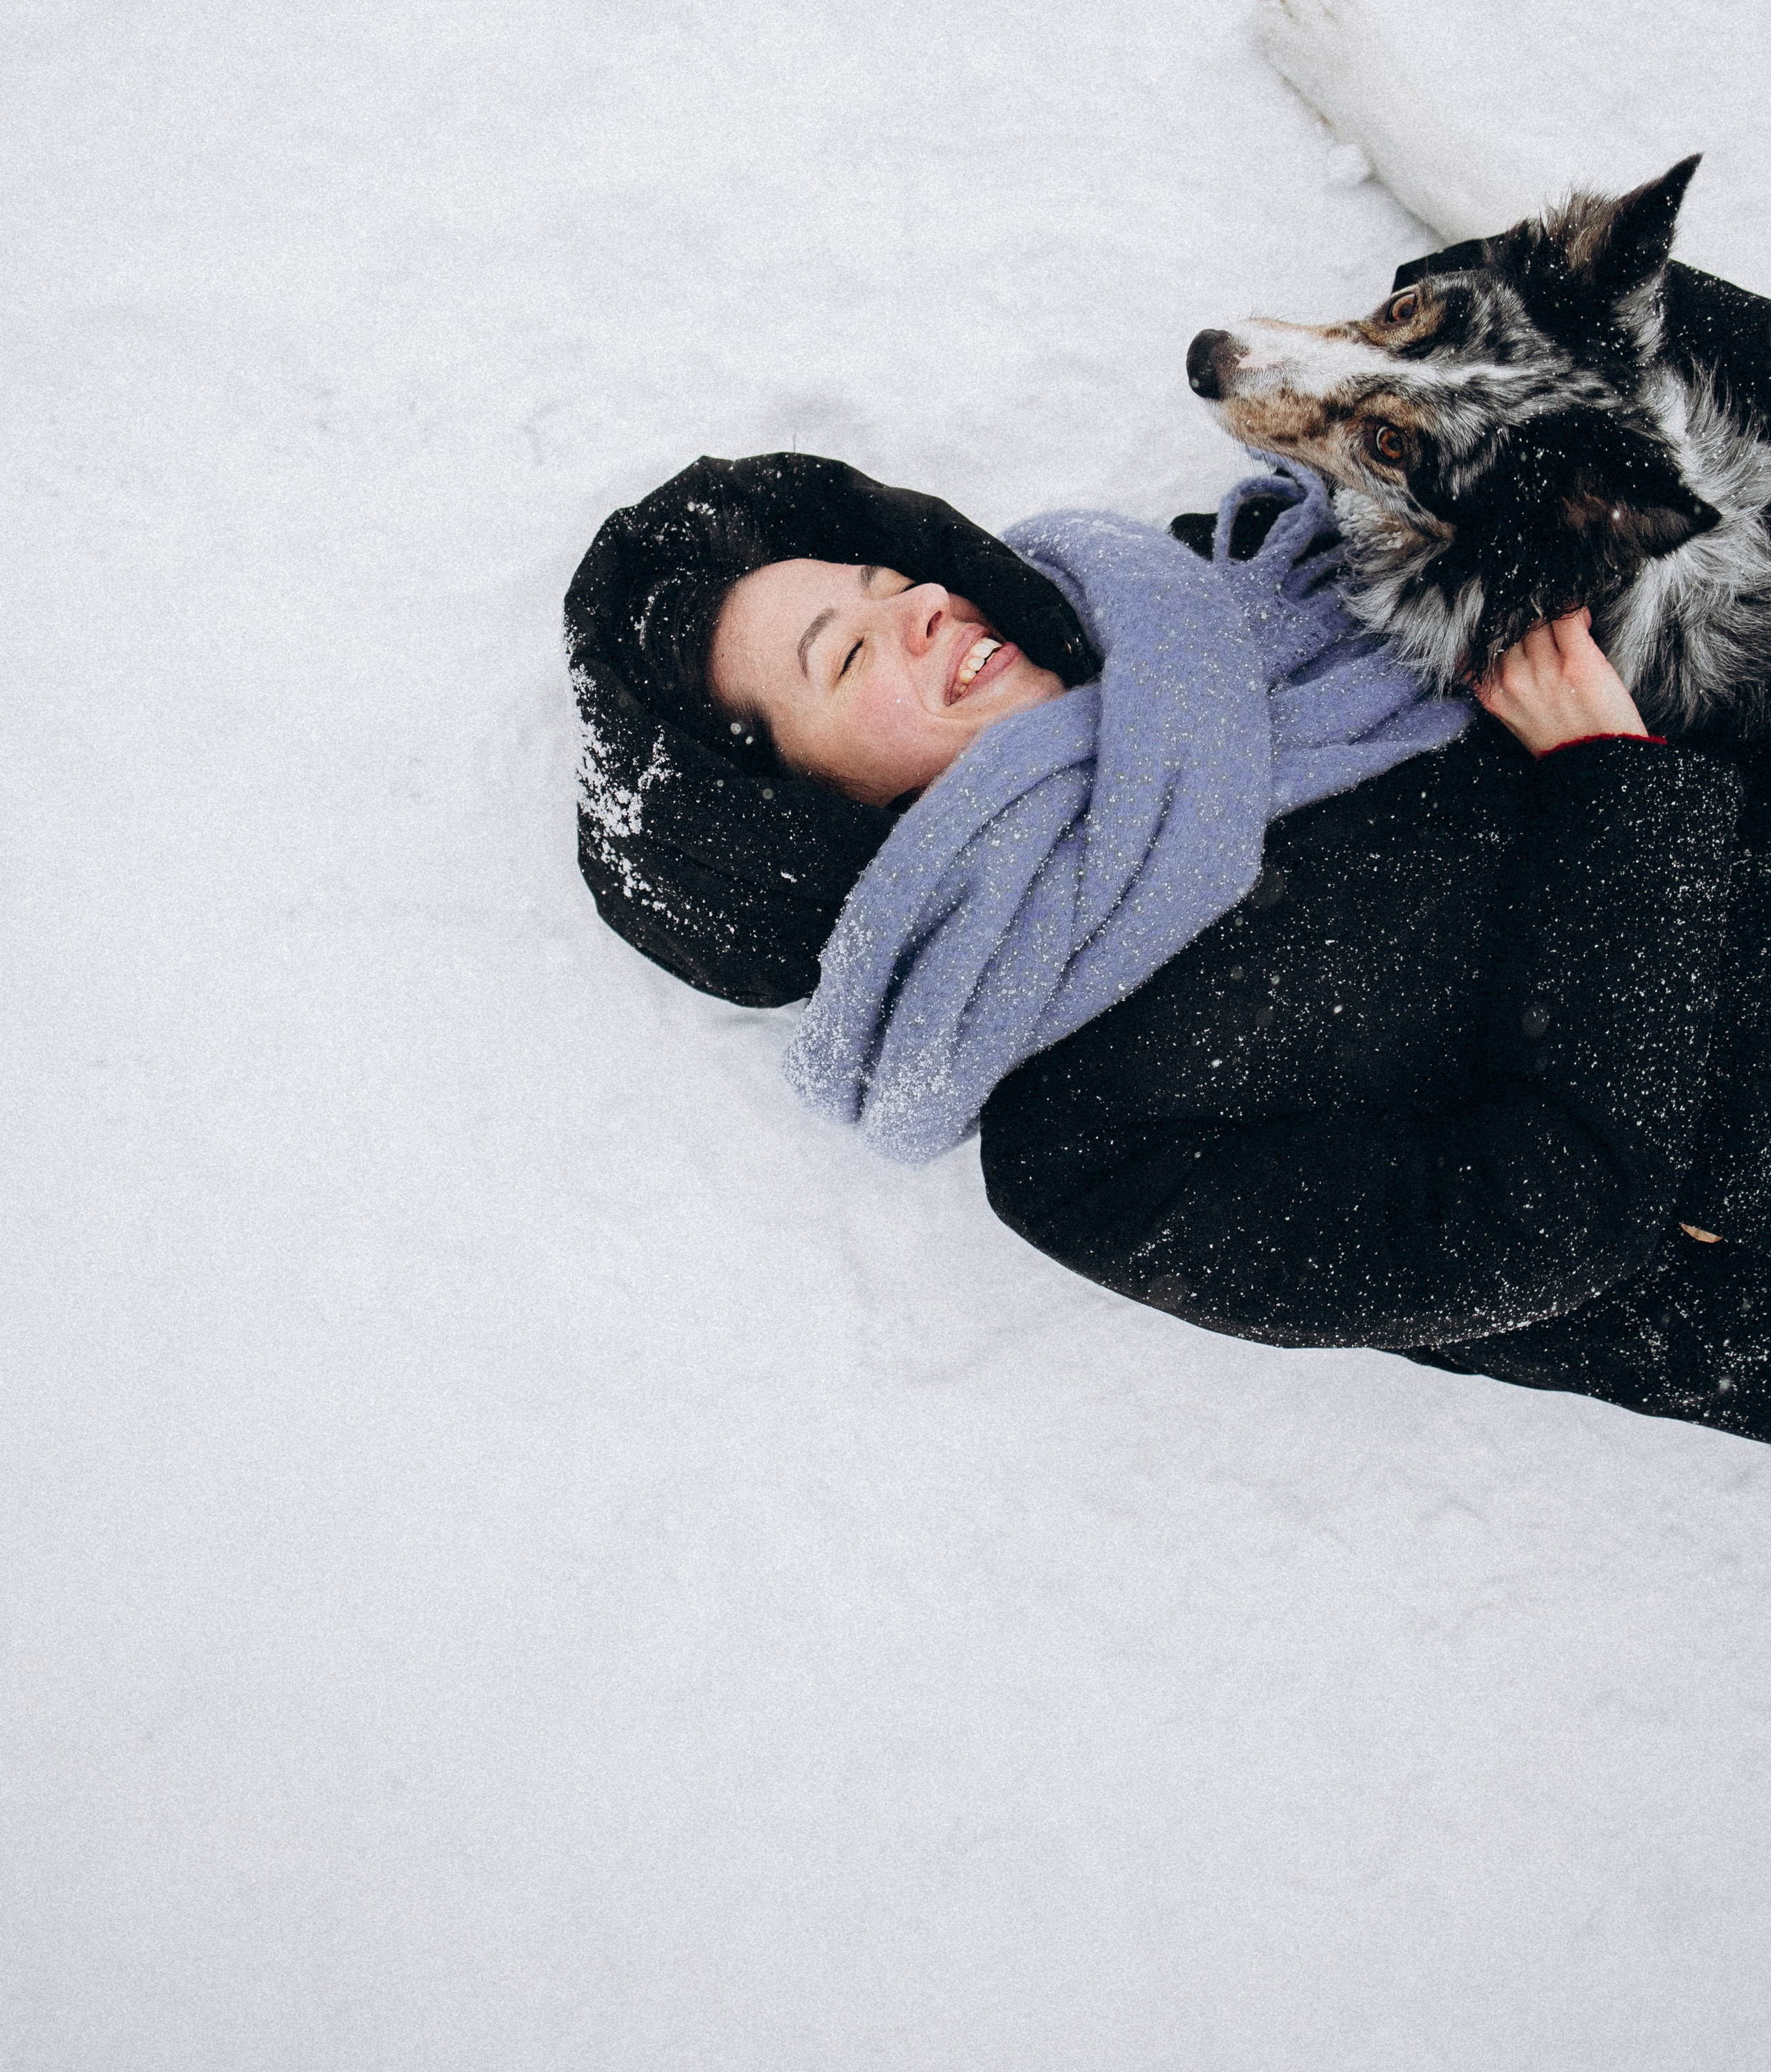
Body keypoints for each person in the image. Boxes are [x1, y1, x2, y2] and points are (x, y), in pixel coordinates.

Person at [565, 344, 1771, 1453]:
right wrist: (1611, 791)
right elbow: (1548, 1222)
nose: (921, 606)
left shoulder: (1230, 600)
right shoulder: (1084, 1152)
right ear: (811, 816)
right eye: (850, 655)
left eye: (888, 580)